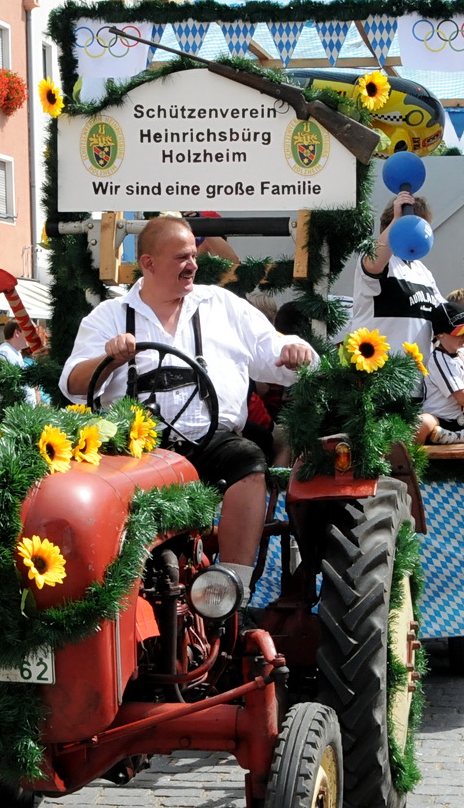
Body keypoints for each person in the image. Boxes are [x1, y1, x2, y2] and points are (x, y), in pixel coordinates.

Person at [61, 217, 314, 603]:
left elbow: (273, 348)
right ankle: (109, 595)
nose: (193, 265)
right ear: (148, 264)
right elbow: (73, 384)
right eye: (182, 257)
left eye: (193, 256)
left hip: (211, 443)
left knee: (248, 462)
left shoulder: (221, 305)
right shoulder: (109, 317)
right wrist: (109, 359)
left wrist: (294, 351)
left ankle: (229, 589)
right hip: (138, 451)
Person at [347, 191, 443, 356]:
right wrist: (398, 221)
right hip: (379, 371)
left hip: (417, 376)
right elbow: (373, 262)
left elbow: (443, 312)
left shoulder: (423, 271)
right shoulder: (377, 258)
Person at [419, 304, 464, 444]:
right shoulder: (439, 358)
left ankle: (458, 436)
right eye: (458, 332)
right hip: (440, 420)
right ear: (440, 334)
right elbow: (463, 398)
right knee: (422, 423)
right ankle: (414, 462)